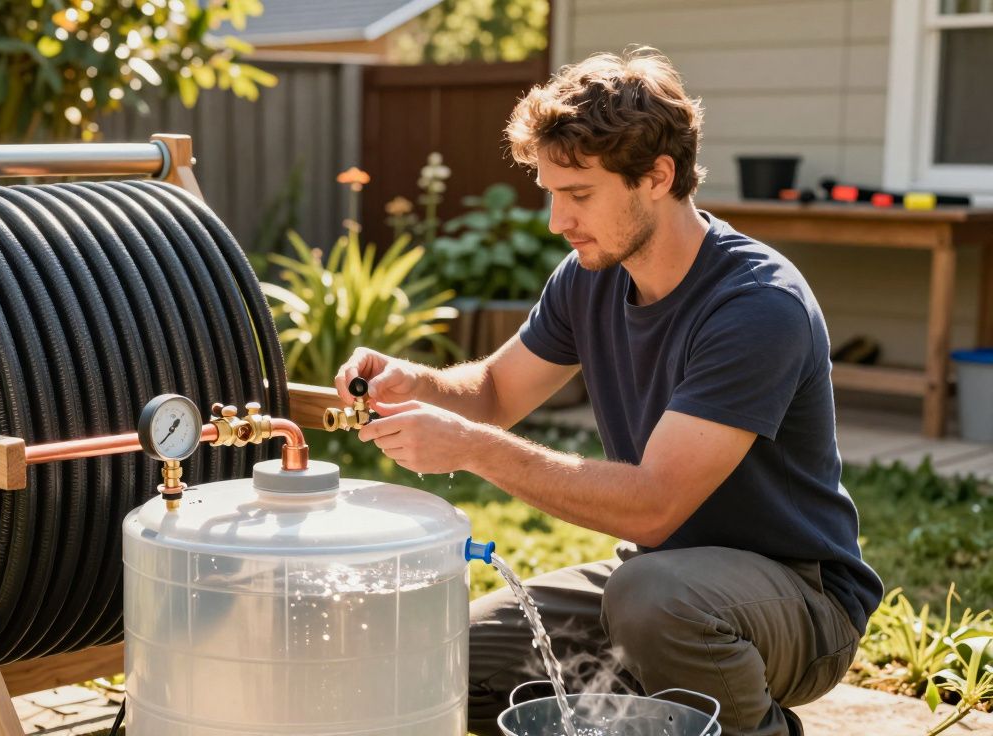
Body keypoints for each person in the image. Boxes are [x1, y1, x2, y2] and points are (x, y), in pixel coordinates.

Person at [332, 49, 882, 736]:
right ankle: (652, 701)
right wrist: (419, 383)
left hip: (796, 597)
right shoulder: (589, 274)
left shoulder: (756, 305)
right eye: (550, 192)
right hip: (659, 580)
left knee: (655, 599)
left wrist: (474, 450)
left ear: (658, 176)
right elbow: (498, 390)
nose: (558, 220)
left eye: (580, 194)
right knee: (447, 663)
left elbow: (652, 507)